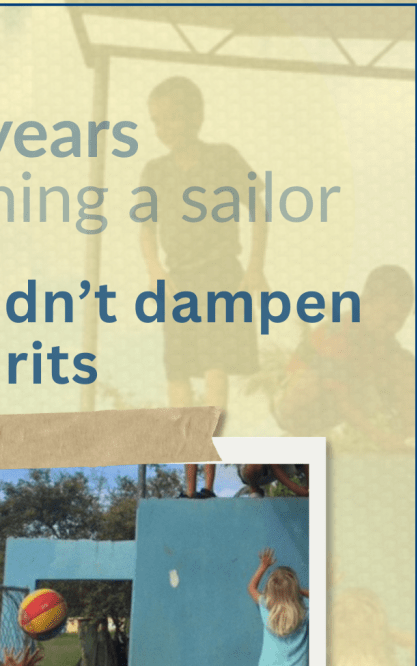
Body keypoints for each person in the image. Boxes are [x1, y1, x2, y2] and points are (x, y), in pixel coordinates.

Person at [140, 76, 267, 417]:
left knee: (215, 358)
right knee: (176, 363)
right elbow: (146, 228)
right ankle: (181, 435)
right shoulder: (155, 171)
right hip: (177, 277)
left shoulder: (223, 157)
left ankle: (209, 434)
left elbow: (258, 209)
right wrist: (155, 269)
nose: (164, 128)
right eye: (157, 121)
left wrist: (255, 267)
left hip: (219, 270)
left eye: (172, 118)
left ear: (196, 116)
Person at [272, 265, 414, 449]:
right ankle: (297, 441)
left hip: (343, 399)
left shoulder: (385, 342)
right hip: (296, 401)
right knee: (311, 382)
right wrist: (380, 437)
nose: (393, 328)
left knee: (406, 366)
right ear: (364, 304)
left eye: (399, 322)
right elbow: (340, 398)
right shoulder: (339, 333)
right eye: (388, 319)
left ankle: (410, 437)